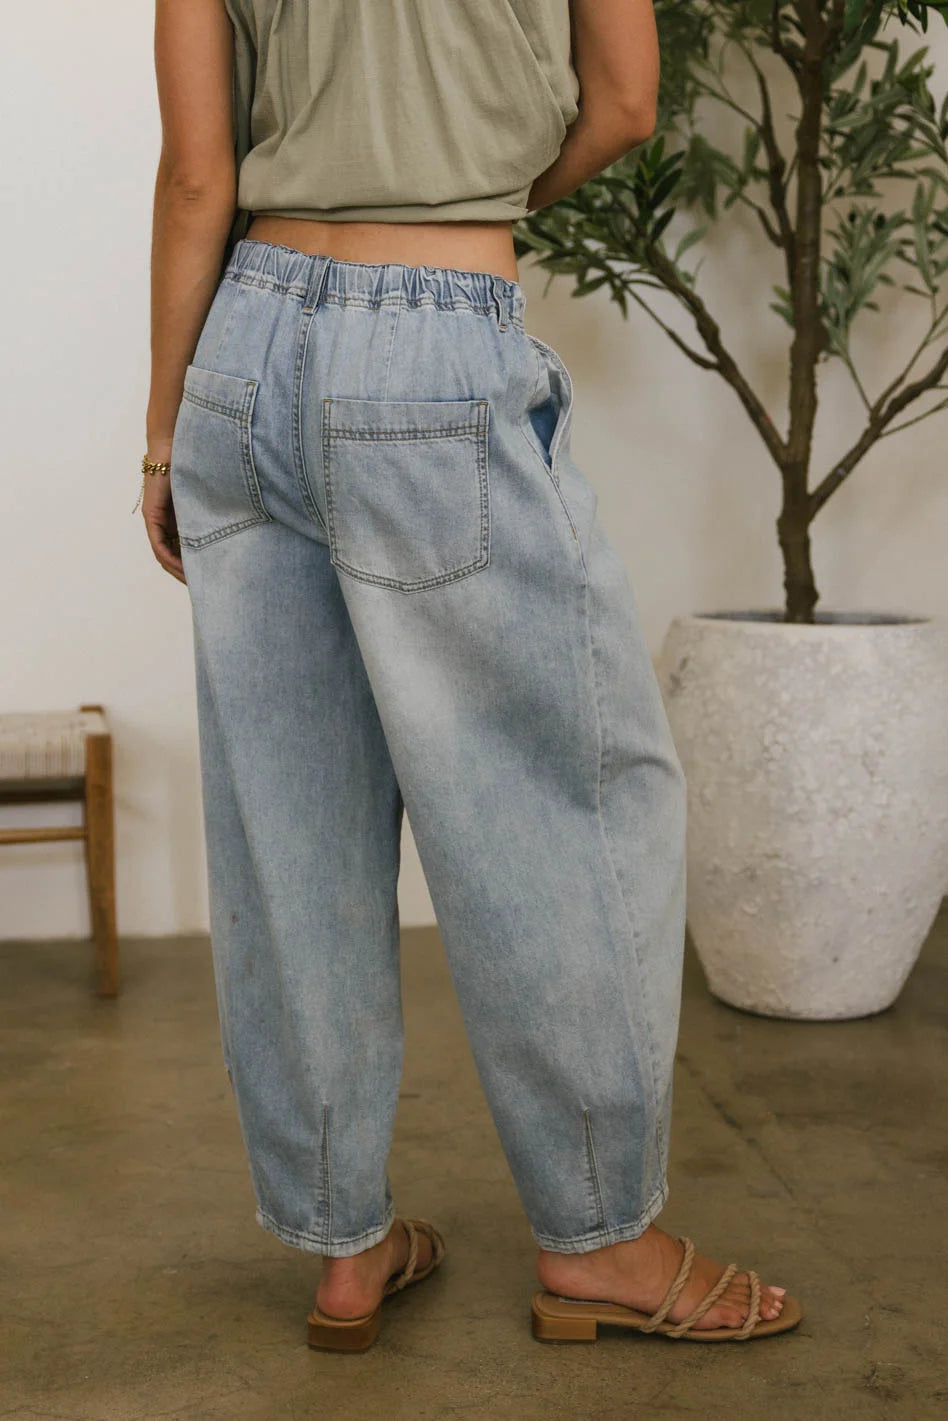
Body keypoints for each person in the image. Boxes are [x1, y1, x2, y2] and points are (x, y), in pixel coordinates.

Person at [141, 0, 802, 1351]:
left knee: (292, 818)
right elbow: (623, 101)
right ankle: (601, 1240)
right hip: (434, 339)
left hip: (242, 348)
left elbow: (200, 172)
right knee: (561, 797)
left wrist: (163, 435)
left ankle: (344, 1245)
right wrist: (466, 203)